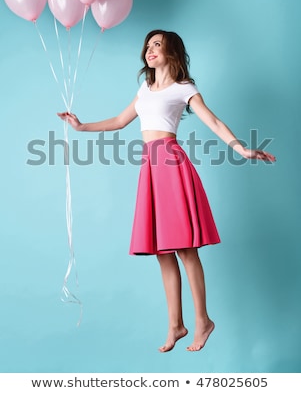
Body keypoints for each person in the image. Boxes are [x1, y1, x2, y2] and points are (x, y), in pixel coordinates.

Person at [58, 29, 276, 353]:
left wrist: (242, 149)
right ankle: (176, 323)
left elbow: (213, 122)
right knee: (162, 251)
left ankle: (203, 320)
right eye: (147, 45)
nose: (150, 49)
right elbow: (120, 121)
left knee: (186, 248)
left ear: (171, 51)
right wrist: (81, 126)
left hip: (171, 164)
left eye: (157, 44)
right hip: (150, 167)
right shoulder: (144, 88)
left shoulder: (183, 88)